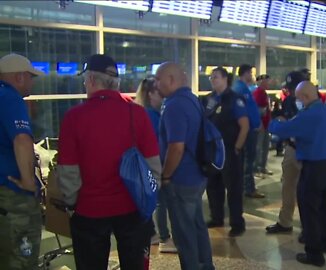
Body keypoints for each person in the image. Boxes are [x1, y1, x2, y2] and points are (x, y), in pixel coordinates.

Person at [57, 54, 162, 270]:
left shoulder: (74, 117)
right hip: (132, 206)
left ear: (92, 80)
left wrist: (71, 204)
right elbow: (153, 164)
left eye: (85, 80)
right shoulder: (137, 113)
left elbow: (68, 170)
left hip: (89, 210)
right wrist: (149, 198)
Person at [269, 81, 326, 267]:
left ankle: (314, 254)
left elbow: (282, 130)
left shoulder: (306, 115)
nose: (297, 101)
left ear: (305, 97)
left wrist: (274, 120)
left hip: (313, 167)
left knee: (309, 210)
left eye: (298, 98)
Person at [155, 62, 214, 269]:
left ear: (171, 80)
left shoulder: (174, 105)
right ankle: (206, 265)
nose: (156, 84)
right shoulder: (192, 99)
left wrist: (166, 175)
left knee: (184, 234)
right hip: (197, 175)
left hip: (181, 179)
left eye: (158, 79)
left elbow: (176, 147)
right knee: (197, 227)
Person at [0, 53, 44, 269]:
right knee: (22, 257)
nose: (31, 82)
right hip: (12, 194)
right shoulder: (10, 98)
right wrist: (28, 181)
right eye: (29, 77)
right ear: (19, 77)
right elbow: (22, 140)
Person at [204, 67, 249, 237]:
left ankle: (237, 223)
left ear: (225, 79)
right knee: (213, 185)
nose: (213, 80)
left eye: (216, 77)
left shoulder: (234, 99)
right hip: (213, 151)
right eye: (211, 77)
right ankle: (216, 217)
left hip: (230, 150)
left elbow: (244, 126)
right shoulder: (209, 99)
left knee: (233, 188)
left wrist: (237, 148)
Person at [135, 77, 177, 253]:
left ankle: (154, 234)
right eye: (159, 93)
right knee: (161, 202)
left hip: (148, 165)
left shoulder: (144, 112)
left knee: (157, 201)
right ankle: (163, 238)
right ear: (151, 94)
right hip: (154, 164)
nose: (163, 96)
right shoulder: (151, 116)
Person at [265, 71, 305, 235]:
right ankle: (285, 222)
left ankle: (308, 227)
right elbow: (281, 117)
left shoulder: (311, 101)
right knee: (287, 186)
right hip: (291, 148)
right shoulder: (289, 100)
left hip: (306, 150)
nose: (292, 90)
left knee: (305, 191)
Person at [233, 64, 262, 198]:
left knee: (248, 159)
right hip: (248, 130)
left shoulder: (244, 88)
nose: (252, 75)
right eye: (250, 73)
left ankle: (246, 187)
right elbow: (244, 112)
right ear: (245, 73)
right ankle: (248, 188)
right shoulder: (240, 89)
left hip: (252, 128)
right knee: (248, 160)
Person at [253, 74, 273, 182]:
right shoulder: (258, 93)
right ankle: (256, 169)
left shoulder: (264, 93)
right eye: (266, 81)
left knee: (265, 147)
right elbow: (257, 110)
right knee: (259, 147)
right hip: (261, 125)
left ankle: (262, 166)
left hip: (266, 124)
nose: (268, 83)